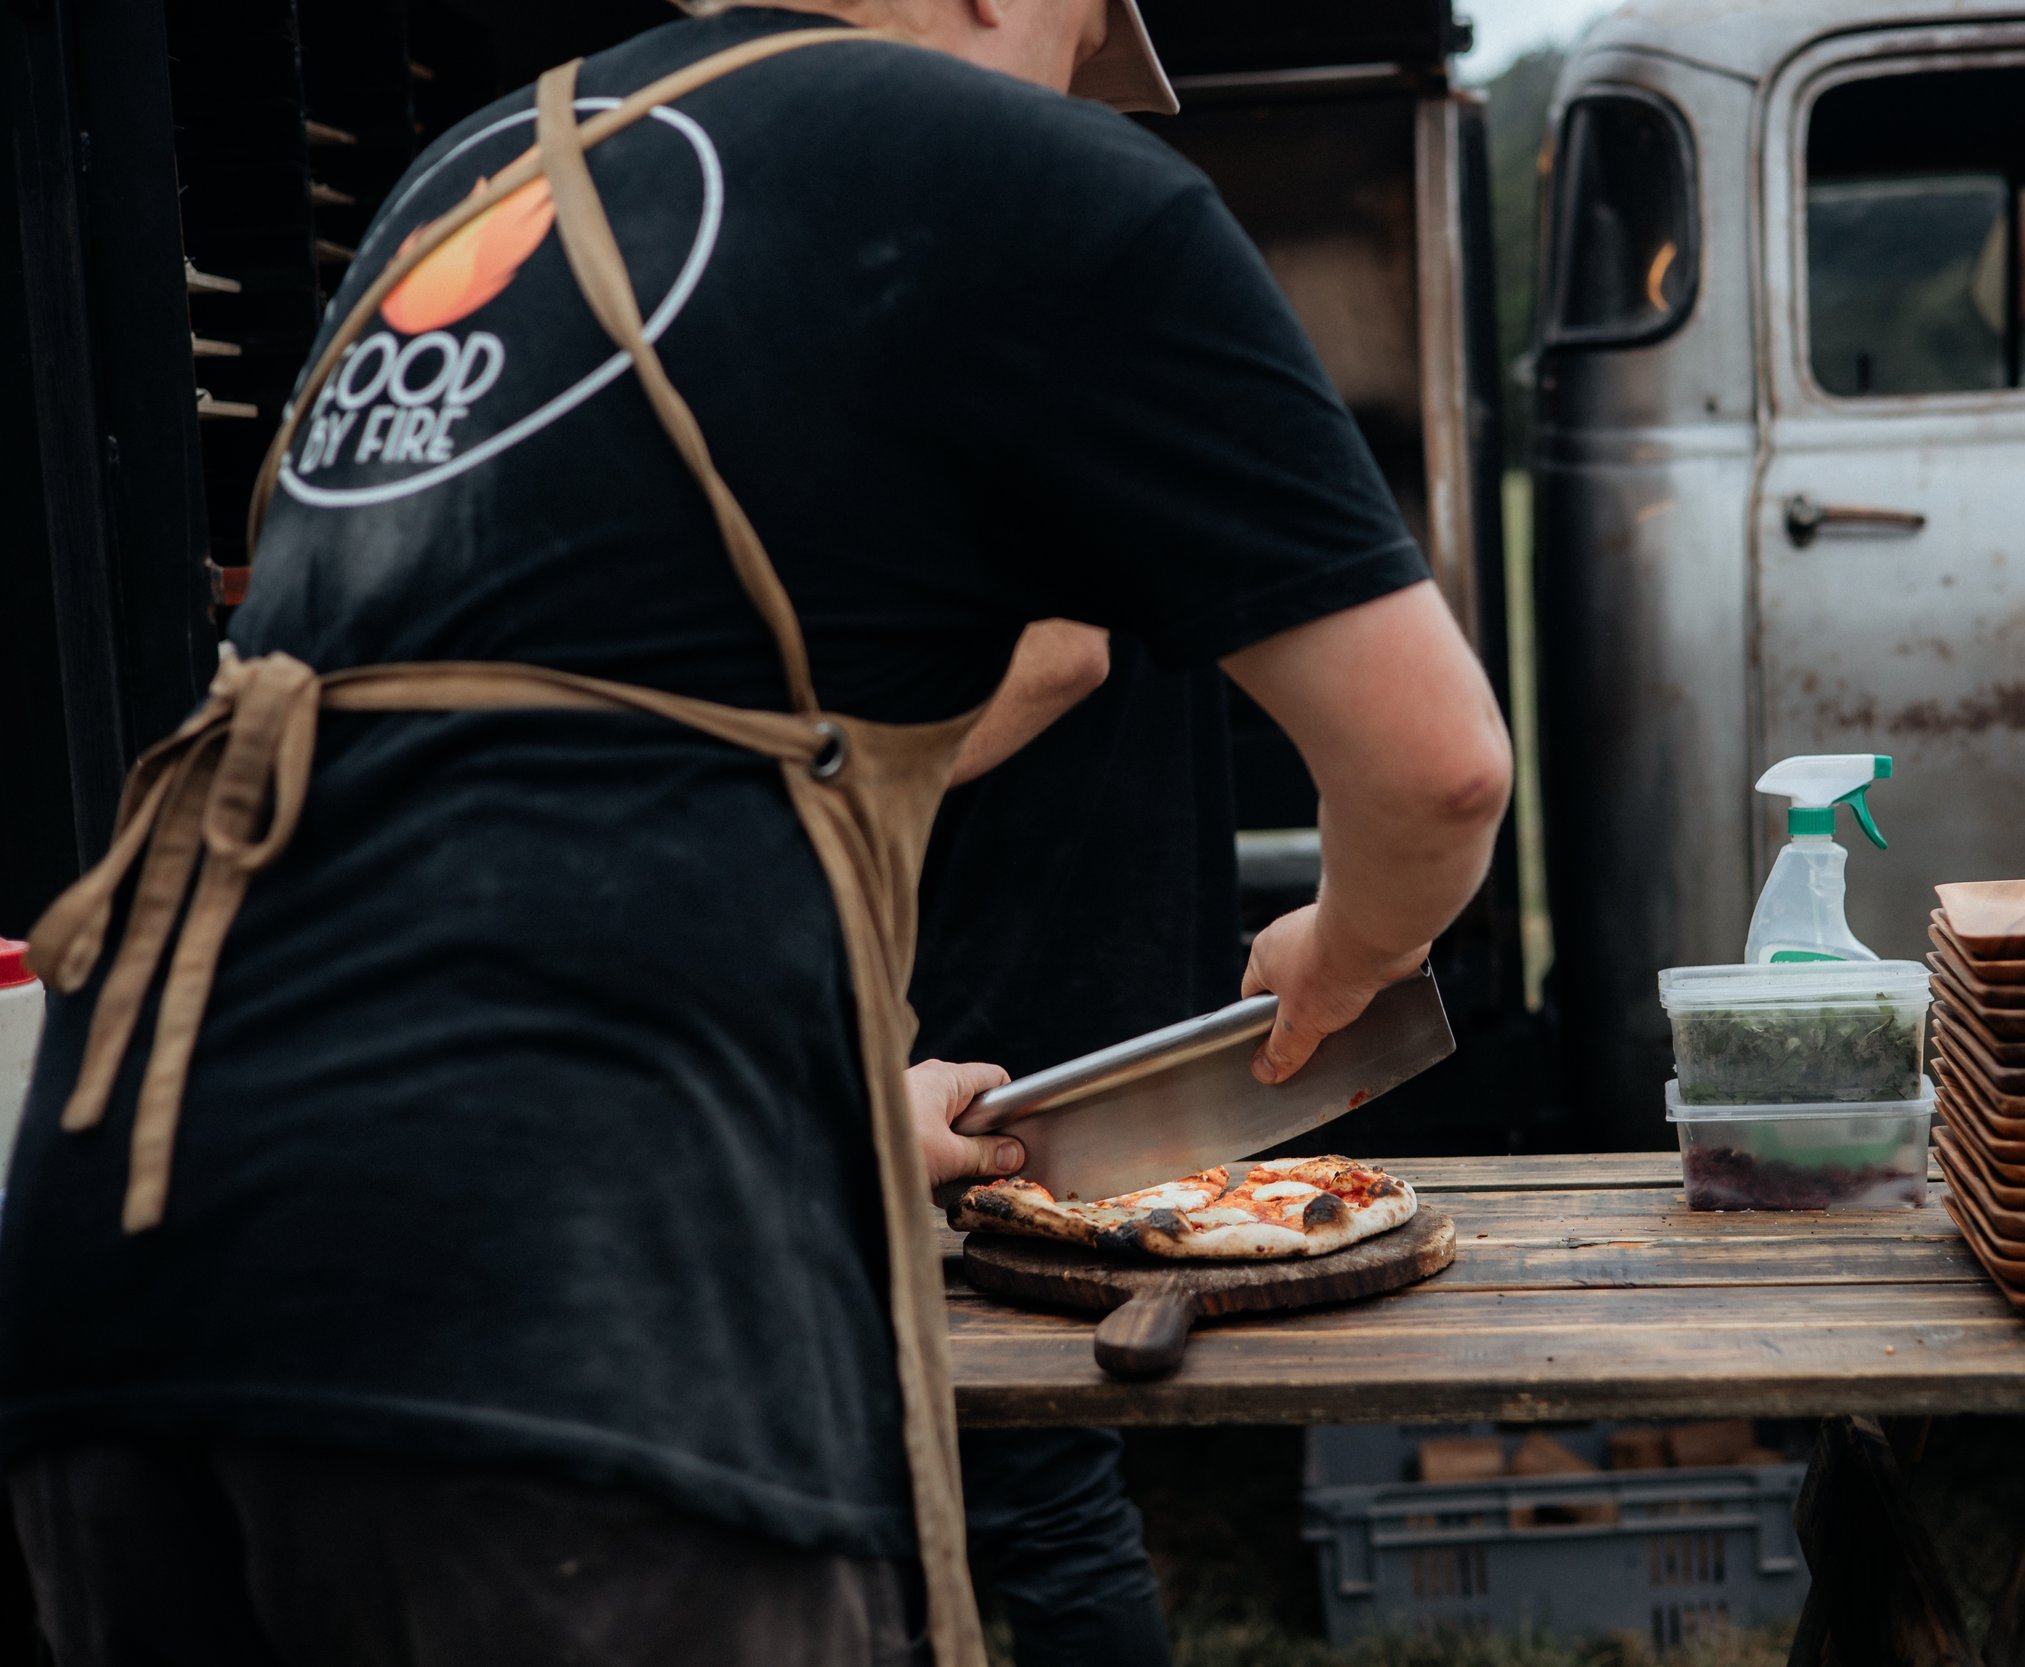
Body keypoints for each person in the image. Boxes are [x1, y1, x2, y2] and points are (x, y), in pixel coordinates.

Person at [0, 3, 1512, 1665]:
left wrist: (847, 1101)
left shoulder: (483, 168)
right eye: (1089, 40)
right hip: (556, 1284)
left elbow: (495, 792)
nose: (1084, 90)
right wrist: (1348, 949)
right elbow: (1435, 770)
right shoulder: (1038, 178)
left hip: (117, 1240)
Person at [914, 622, 1238, 1667]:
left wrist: (822, 795)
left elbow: (1061, 650)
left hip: (1013, 998)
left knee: (1032, 1483)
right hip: (1047, 959)